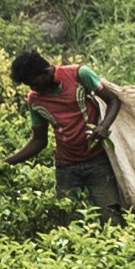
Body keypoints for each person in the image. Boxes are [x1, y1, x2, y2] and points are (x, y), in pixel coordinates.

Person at [10, 45, 118, 216]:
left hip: (97, 161)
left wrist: (103, 126)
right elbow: (39, 140)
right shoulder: (35, 100)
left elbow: (113, 100)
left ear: (45, 72)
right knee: (67, 222)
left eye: (33, 82)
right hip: (66, 167)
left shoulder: (79, 74)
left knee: (111, 216)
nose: (32, 88)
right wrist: (8, 162)